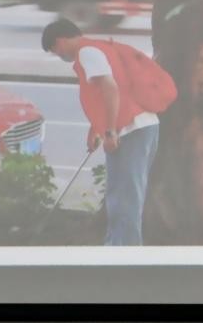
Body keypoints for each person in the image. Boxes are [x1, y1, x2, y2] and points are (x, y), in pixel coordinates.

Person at [41, 19, 178, 246]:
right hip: (142, 125)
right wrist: (96, 129)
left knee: (125, 197)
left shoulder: (87, 53)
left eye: (55, 50)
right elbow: (107, 93)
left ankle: (124, 251)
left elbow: (110, 88)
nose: (59, 55)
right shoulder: (101, 48)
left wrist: (110, 131)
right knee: (124, 193)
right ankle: (117, 244)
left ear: (60, 41)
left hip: (131, 129)